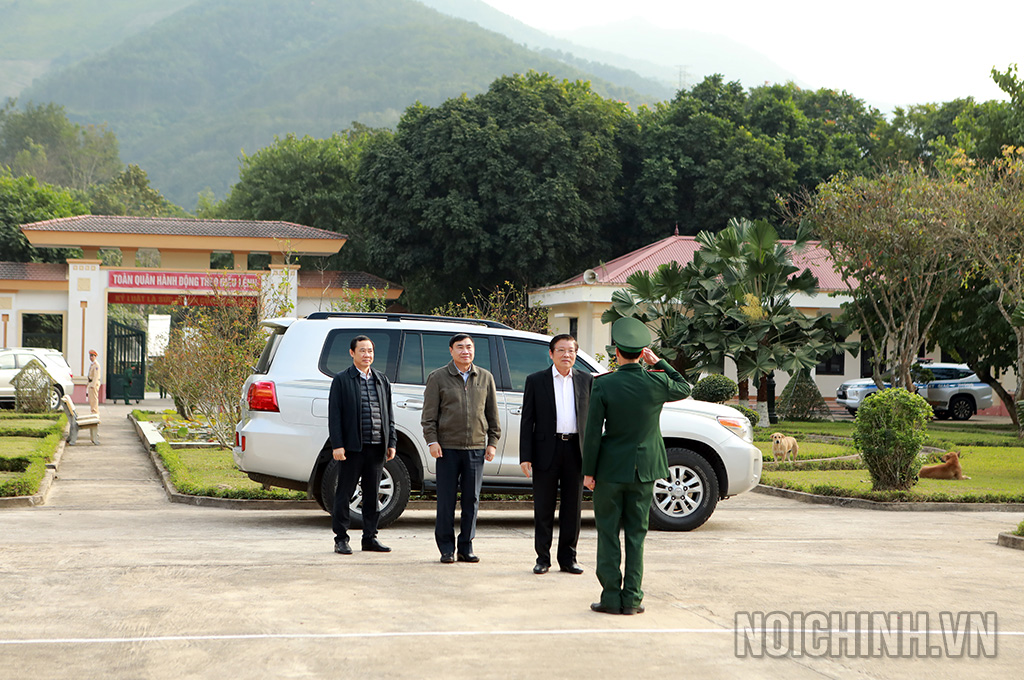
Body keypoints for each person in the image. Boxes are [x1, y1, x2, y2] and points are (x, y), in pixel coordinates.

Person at [582, 317, 691, 615]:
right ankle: (632, 599)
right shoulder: (657, 381)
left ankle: (610, 598)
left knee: (607, 534)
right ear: (642, 353)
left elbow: (593, 433)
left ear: (616, 352)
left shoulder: (603, 384)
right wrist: (660, 362)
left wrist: (588, 472)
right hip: (644, 470)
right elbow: (685, 387)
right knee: (636, 535)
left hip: (610, 470)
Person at [422, 333, 501, 564]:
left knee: (471, 500)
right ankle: (446, 549)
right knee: (446, 501)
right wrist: (432, 441)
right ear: (451, 350)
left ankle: (466, 547)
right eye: (460, 347)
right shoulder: (438, 377)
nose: (465, 351)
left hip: (475, 449)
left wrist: (492, 442)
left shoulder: (485, 377)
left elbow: (492, 414)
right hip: (446, 449)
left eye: (469, 347)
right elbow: (429, 416)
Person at [519, 334, 592, 575]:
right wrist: (525, 455)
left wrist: (593, 457)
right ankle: (543, 558)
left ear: (576, 354)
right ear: (551, 354)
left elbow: (592, 421)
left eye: (571, 350)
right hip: (545, 451)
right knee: (544, 507)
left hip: (575, 450)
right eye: (561, 350)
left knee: (573, 508)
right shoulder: (536, 380)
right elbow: (527, 420)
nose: (566, 355)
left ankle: (568, 559)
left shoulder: (586, 380)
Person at [328, 335, 397, 555]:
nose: (367, 355)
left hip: (376, 447)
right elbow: (334, 415)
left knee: (372, 495)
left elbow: (389, 414)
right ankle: (341, 539)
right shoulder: (342, 380)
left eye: (370, 351)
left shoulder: (381, 380)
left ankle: (370, 538)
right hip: (351, 448)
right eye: (362, 351)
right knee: (344, 494)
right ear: (352, 353)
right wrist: (337, 445)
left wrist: (391, 442)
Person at [87, 349, 102, 414]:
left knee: (94, 398)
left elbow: (96, 376)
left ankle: (95, 411)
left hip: (94, 383)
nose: (91, 357)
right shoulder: (92, 364)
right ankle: (93, 410)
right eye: (90, 356)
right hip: (91, 382)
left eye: (92, 356)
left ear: (95, 356)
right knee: (91, 398)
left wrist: (93, 385)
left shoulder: (96, 365)